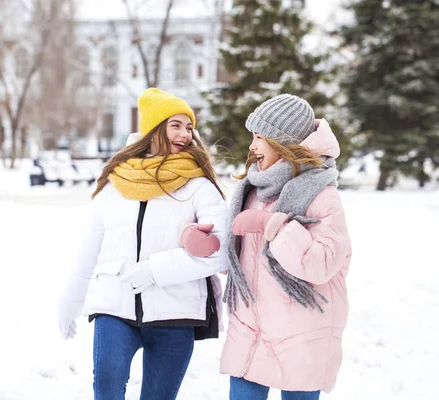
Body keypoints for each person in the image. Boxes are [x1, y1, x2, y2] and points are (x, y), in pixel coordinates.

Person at [57, 88, 228, 400]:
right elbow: (89, 252)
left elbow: (221, 253)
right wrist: (70, 302)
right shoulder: (116, 184)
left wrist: (156, 270)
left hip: (175, 313)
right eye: (175, 124)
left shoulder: (199, 186)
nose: (185, 134)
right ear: (154, 129)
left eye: (188, 126)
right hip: (114, 305)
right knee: (107, 391)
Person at [220, 94, 352, 400]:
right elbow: (239, 263)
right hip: (251, 332)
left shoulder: (322, 195)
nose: (251, 147)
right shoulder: (251, 190)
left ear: (282, 142)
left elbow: (321, 263)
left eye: (259, 138)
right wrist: (208, 245)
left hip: (302, 336)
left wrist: (272, 226)